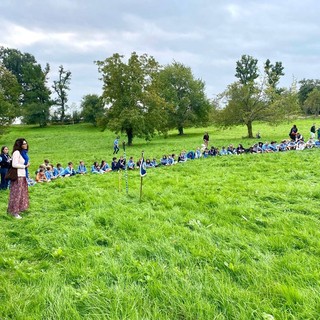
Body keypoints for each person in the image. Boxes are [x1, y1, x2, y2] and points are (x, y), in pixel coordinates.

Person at [7, 138, 30, 219]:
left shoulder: (23, 153)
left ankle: (19, 209)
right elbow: (14, 164)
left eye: (26, 143)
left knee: (21, 194)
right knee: (16, 194)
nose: (25, 145)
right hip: (17, 176)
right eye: (23, 144)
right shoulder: (16, 152)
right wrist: (25, 166)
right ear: (19, 145)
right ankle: (14, 212)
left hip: (22, 175)